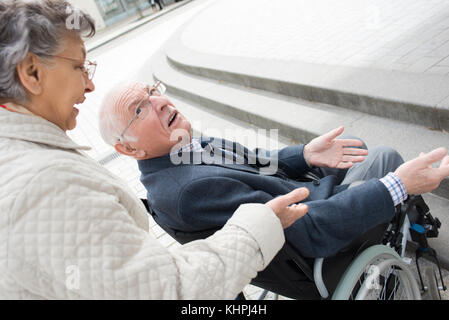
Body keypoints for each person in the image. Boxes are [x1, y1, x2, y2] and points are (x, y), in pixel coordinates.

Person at [0, 0, 309, 300]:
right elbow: (169, 292)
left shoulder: (26, 160)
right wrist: (260, 226)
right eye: (79, 66)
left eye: (152, 93)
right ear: (32, 73)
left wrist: (304, 155)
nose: (89, 85)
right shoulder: (45, 186)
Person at [99, 81, 449, 259]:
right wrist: (397, 185)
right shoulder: (189, 191)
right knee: (385, 158)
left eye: (153, 92)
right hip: (314, 226)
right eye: (140, 109)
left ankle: (405, 210)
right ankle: (412, 217)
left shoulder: (181, 148)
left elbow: (256, 159)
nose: (160, 102)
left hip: (298, 196)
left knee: (350, 146)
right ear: (128, 149)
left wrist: (307, 154)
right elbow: (310, 229)